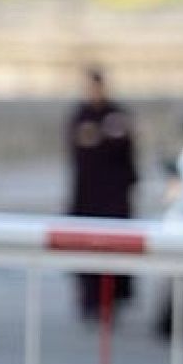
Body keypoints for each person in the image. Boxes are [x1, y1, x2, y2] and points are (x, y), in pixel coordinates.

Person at [66, 66, 139, 320]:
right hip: (88, 195)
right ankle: (90, 301)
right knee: (88, 249)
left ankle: (112, 300)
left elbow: (125, 149)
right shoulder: (81, 115)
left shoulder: (116, 114)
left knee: (114, 249)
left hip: (114, 196)